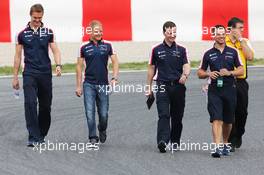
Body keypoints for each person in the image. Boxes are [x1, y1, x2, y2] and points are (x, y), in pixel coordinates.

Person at [12, 4, 62, 147]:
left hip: (45, 73)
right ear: (30, 15)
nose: (37, 20)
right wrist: (15, 77)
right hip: (29, 73)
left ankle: (41, 133)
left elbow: (56, 50)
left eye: (40, 18)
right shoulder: (21, 34)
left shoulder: (49, 32)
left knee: (45, 106)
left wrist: (58, 65)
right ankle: (33, 136)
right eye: (35, 17)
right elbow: (17, 57)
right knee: (30, 103)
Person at [197, 25, 244, 158]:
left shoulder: (233, 52)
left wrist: (230, 72)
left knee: (228, 121)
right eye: (218, 34)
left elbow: (241, 70)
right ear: (213, 36)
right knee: (217, 118)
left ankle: (225, 144)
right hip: (214, 91)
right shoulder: (208, 53)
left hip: (230, 89)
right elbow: (200, 72)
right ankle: (216, 147)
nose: (221, 36)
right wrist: (208, 74)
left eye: (223, 34)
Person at [146, 21, 191, 153]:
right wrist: (148, 87)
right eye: (170, 32)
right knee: (164, 114)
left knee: (177, 116)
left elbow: (187, 65)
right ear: (164, 32)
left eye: (174, 32)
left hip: (178, 86)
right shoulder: (156, 49)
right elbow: (151, 69)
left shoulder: (182, 49)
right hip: (162, 86)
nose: (172, 35)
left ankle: (175, 141)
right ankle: (162, 141)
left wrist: (185, 75)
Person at [76, 20, 119, 144]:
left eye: (101, 31)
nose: (99, 33)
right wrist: (78, 86)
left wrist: (114, 78)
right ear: (90, 32)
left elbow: (115, 62)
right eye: (97, 31)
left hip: (103, 85)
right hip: (88, 84)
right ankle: (92, 136)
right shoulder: (83, 47)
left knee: (104, 114)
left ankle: (102, 128)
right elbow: (78, 67)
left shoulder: (108, 45)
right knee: (90, 113)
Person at [226, 17, 254, 152]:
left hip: (241, 82)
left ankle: (239, 133)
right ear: (231, 28)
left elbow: (250, 57)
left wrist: (241, 40)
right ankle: (231, 140)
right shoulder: (222, 41)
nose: (242, 30)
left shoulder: (245, 41)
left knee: (242, 112)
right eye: (240, 28)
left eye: (243, 28)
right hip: (227, 82)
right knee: (229, 112)